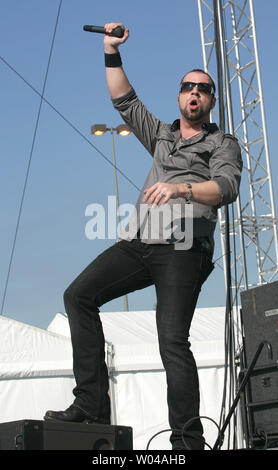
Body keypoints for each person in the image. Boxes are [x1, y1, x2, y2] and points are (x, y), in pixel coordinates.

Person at [44, 23, 242, 450]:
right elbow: (123, 99)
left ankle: (187, 442)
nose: (194, 93)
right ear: (178, 96)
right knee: (78, 295)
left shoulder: (223, 143)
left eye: (202, 89)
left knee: (171, 339)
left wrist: (181, 187)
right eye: (188, 86)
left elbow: (225, 189)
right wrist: (110, 49)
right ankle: (92, 405)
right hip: (140, 242)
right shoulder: (162, 136)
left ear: (210, 101)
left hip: (186, 245)